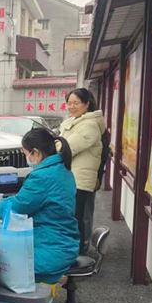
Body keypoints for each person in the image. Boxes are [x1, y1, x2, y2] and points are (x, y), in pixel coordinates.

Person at [0, 128, 80, 284]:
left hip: (51, 248)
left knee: (5, 263)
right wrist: (3, 202)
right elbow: (25, 199)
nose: (27, 159)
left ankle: (12, 299)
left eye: (26, 154)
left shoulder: (42, 177)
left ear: (35, 152)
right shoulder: (62, 169)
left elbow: (18, 206)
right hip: (64, 243)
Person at [59, 87, 105, 254]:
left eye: (76, 103)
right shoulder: (75, 121)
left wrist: (54, 144)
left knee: (76, 217)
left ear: (87, 104)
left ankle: (78, 254)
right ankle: (74, 251)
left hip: (79, 179)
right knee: (73, 215)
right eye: (69, 103)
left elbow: (66, 147)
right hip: (72, 176)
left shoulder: (89, 125)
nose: (71, 106)